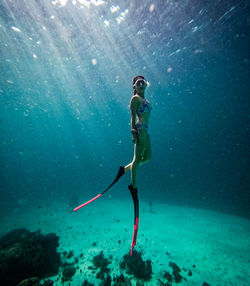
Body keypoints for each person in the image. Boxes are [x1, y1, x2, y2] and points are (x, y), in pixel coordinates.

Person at [115, 75, 152, 192]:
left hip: (146, 131)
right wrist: (133, 132)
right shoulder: (135, 99)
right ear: (134, 86)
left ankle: (124, 170)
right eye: (138, 83)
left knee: (148, 158)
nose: (141, 85)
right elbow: (132, 117)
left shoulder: (146, 100)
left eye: (142, 82)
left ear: (146, 84)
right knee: (137, 160)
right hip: (140, 129)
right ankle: (133, 186)